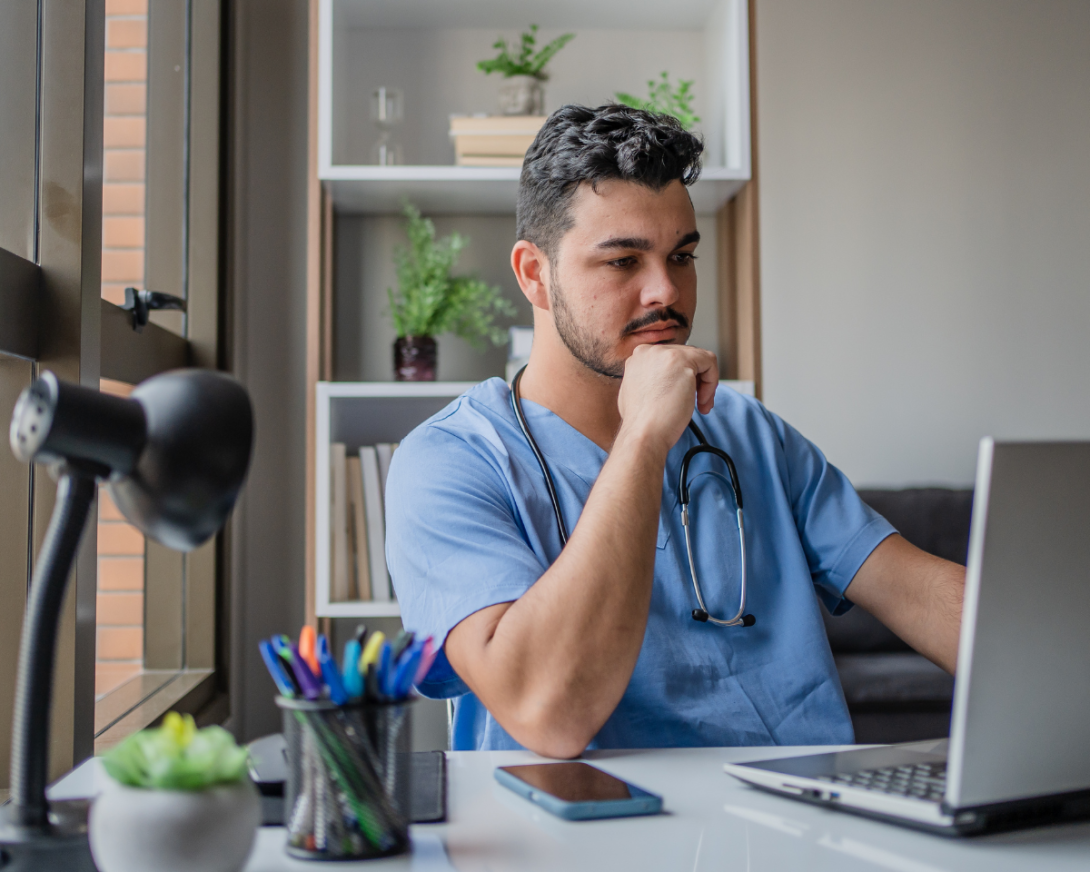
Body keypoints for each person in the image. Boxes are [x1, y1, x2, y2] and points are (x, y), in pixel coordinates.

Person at [385, 104, 965, 756]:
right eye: (623, 261)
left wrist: (1032, 646)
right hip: (590, 816)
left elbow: (919, 593)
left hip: (792, 805)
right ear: (533, 274)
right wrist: (643, 438)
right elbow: (547, 712)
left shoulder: (745, 430)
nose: (666, 290)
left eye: (682, 255)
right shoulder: (448, 461)